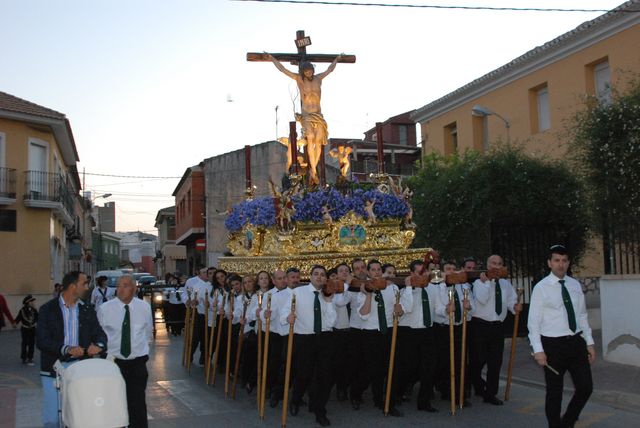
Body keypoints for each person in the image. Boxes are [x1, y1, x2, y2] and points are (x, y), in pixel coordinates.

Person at [528, 244, 595, 428]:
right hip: (552, 346)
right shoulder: (541, 288)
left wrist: (589, 342)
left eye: (564, 261)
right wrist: (538, 350)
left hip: (575, 343)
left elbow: (582, 315)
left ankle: (568, 422)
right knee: (554, 392)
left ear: (568, 262)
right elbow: (533, 323)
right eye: (557, 260)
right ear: (549, 263)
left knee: (585, 387)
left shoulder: (574, 285)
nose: (561, 264)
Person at [36, 271, 107, 428]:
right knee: (52, 419)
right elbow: (41, 341)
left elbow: (99, 333)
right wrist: (66, 349)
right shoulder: (47, 310)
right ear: (73, 286)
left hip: (81, 369)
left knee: (80, 417)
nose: (88, 287)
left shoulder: (87, 309)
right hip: (53, 369)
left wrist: (99, 346)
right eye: (84, 284)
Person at [266, 52, 342, 185]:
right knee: (310, 138)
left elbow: (329, 69)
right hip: (307, 115)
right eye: (306, 71)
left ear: (313, 70)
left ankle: (313, 169)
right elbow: (283, 69)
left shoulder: (319, 79)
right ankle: (313, 169)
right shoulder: (299, 80)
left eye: (310, 71)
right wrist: (272, 59)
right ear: (303, 72)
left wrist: (337, 59)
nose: (308, 73)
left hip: (318, 115)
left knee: (318, 142)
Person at [280, 265, 337, 427]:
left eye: (322, 275)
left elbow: (331, 321)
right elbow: (285, 313)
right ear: (310, 277)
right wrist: (288, 318)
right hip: (304, 339)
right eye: (316, 274)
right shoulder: (297, 293)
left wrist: (328, 302)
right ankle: (296, 399)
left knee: (325, 376)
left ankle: (319, 410)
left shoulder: (328, 294)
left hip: (325, 338)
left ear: (326, 279)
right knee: (304, 375)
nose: (319, 277)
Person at [98, 275, 153, 428]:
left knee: (137, 403)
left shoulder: (144, 307)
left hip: (137, 362)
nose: (120, 289)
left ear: (134, 289)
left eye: (125, 285)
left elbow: (148, 332)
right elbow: (99, 335)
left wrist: (142, 351)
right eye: (119, 286)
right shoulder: (105, 309)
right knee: (115, 403)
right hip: (114, 362)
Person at [354, 259, 405, 417]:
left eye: (378, 269)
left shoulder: (393, 288)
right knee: (373, 369)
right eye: (373, 270)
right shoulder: (363, 289)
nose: (376, 272)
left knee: (390, 367)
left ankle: (387, 401)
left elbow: (400, 311)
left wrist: (399, 310)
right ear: (368, 272)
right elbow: (363, 314)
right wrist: (368, 294)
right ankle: (358, 393)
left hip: (389, 331)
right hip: (370, 332)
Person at [470, 254, 522, 405]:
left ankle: (490, 394)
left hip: (497, 326)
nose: (496, 266)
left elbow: (511, 301)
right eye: (493, 263)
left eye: (499, 264)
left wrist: (514, 307)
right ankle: (477, 384)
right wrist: (487, 282)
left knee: (495, 362)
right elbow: (482, 299)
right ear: (487, 265)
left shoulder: (505, 284)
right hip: (480, 325)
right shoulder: (479, 283)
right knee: (478, 360)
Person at [397, 260, 439, 413]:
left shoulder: (433, 289)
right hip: (409, 332)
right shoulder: (404, 292)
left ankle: (424, 402)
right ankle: (396, 395)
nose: (424, 275)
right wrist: (408, 287)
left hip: (427, 332)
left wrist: (447, 309)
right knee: (407, 368)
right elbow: (406, 308)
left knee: (429, 369)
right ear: (412, 274)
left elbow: (439, 309)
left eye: (425, 272)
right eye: (420, 272)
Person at [435, 261, 474, 407]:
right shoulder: (439, 287)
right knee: (446, 362)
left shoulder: (463, 286)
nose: (451, 272)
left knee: (461, 361)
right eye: (447, 269)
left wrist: (468, 306)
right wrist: (446, 309)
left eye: (453, 269)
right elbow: (437, 309)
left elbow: (472, 308)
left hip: (459, 326)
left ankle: (460, 393)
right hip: (445, 327)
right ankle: (446, 391)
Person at [15, 294, 38, 365]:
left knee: (31, 343)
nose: (33, 303)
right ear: (27, 302)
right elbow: (18, 318)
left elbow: (38, 318)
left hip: (32, 329)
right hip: (25, 329)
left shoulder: (34, 310)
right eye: (31, 301)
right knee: (24, 343)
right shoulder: (22, 310)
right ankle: (24, 357)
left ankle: (30, 357)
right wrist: (14, 323)